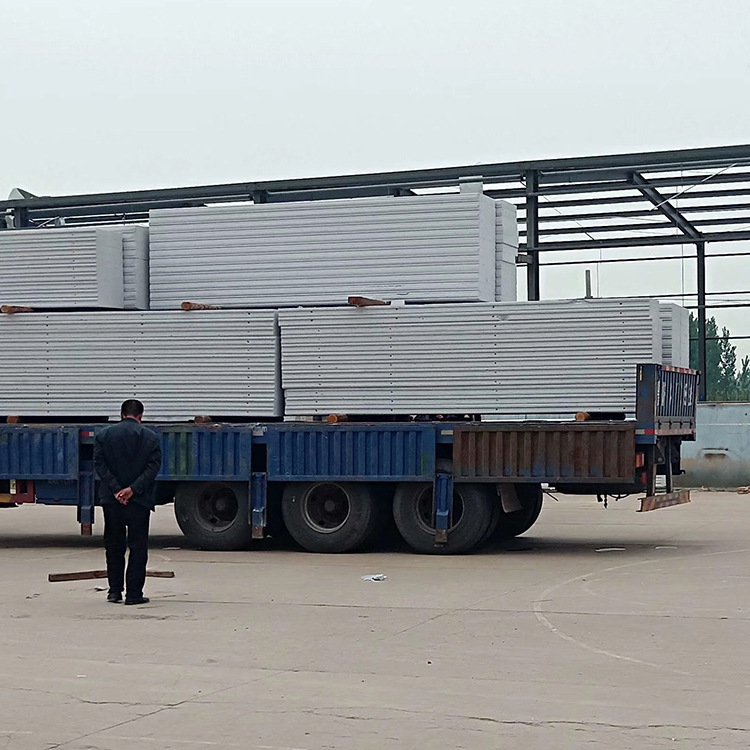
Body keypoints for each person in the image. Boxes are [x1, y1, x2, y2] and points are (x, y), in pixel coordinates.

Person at [93, 399, 162, 605]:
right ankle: (134, 594)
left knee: (114, 546)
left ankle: (114, 591)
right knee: (138, 547)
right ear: (140, 416)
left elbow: (99, 464)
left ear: (121, 414)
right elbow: (152, 468)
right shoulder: (150, 437)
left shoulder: (104, 435)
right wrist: (132, 490)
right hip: (139, 500)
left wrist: (116, 489)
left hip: (112, 500)